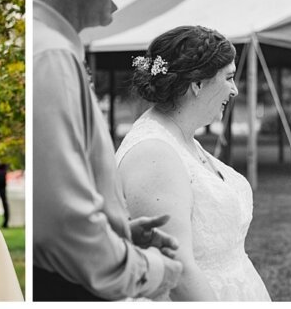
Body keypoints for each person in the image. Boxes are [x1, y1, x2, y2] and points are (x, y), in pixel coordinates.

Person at [34, 0, 184, 301]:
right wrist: (150, 269)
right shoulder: (50, 55)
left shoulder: (53, 48)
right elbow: (61, 224)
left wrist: (115, 233)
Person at [115, 26, 270, 301]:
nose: (234, 90)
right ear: (197, 84)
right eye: (229, 78)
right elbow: (179, 270)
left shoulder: (182, 139)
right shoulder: (152, 154)